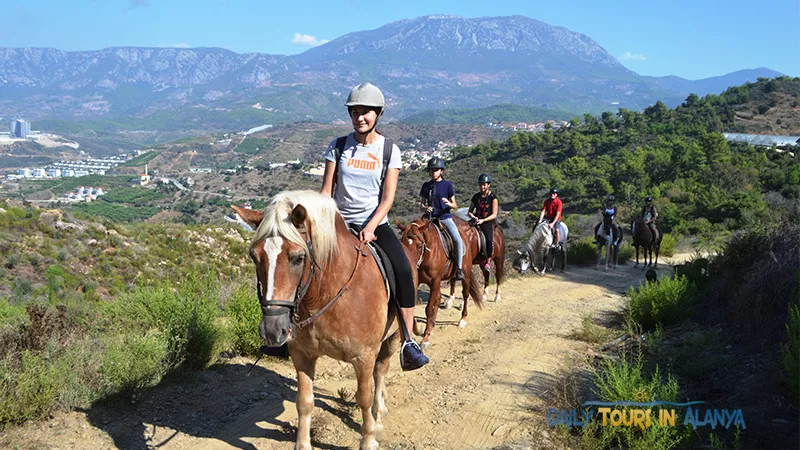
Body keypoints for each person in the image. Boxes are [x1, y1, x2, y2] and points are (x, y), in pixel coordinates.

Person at [320, 82, 428, 371]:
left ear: (378, 113)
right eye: (354, 112)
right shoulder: (338, 146)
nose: (359, 117)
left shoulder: (389, 150)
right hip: (338, 223)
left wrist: (370, 227)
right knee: (298, 262)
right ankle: (286, 332)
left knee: (404, 271)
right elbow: (326, 192)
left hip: (375, 224)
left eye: (365, 112)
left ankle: (407, 341)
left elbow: (388, 198)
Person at [419, 157, 465, 281]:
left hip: (444, 218)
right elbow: (421, 205)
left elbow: (455, 205)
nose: (433, 172)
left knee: (457, 240)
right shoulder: (426, 186)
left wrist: (448, 204)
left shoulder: (447, 185)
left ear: (441, 171)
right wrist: (425, 208)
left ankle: (459, 269)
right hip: (429, 219)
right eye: (431, 170)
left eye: (436, 170)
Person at [468, 173, 499, 271]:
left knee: (489, 240)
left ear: (488, 185)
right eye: (481, 184)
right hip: (476, 219)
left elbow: (494, 214)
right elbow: (470, 211)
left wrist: (483, 220)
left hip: (487, 221)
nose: (482, 186)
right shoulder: (476, 197)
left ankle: (488, 261)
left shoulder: (493, 198)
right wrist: (474, 217)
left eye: (484, 184)